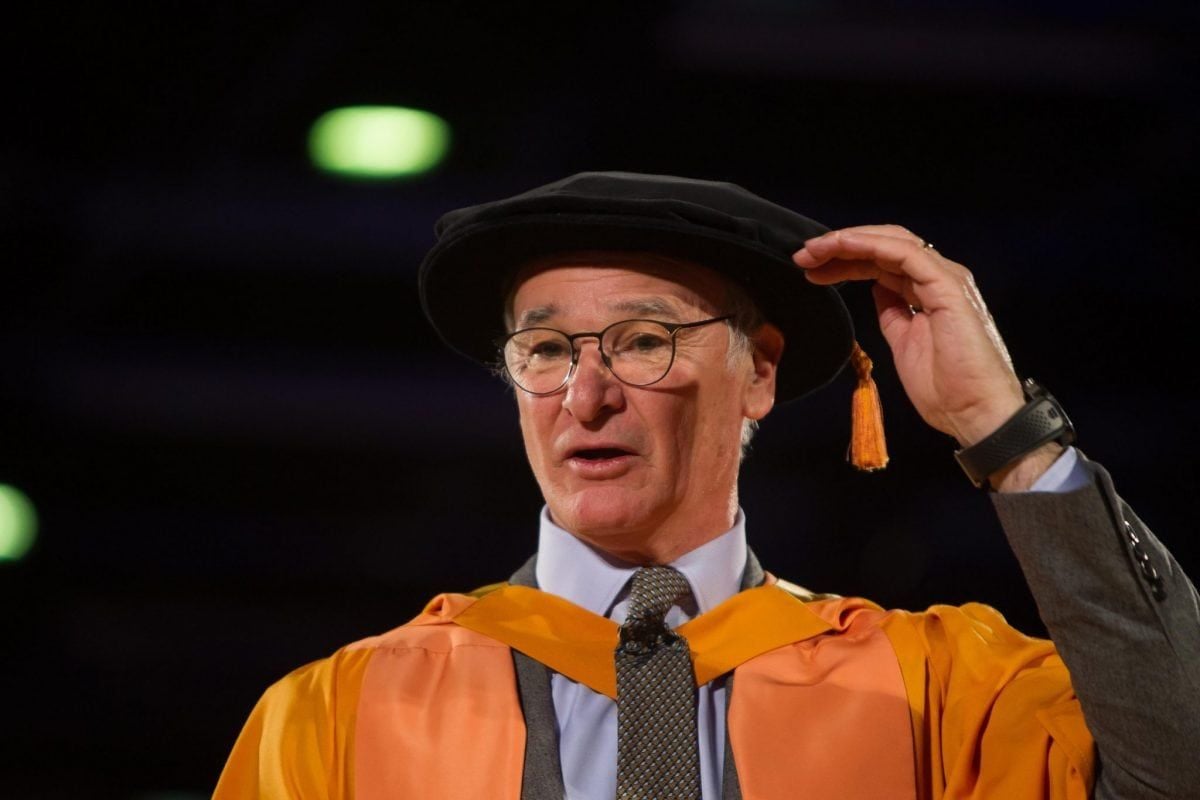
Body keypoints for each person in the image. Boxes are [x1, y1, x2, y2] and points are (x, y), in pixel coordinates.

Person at [214, 172, 1199, 800]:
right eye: (546, 351)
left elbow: (1177, 764)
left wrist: (1006, 433)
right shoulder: (342, 712)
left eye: (643, 340)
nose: (584, 395)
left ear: (758, 372)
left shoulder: (940, 691)